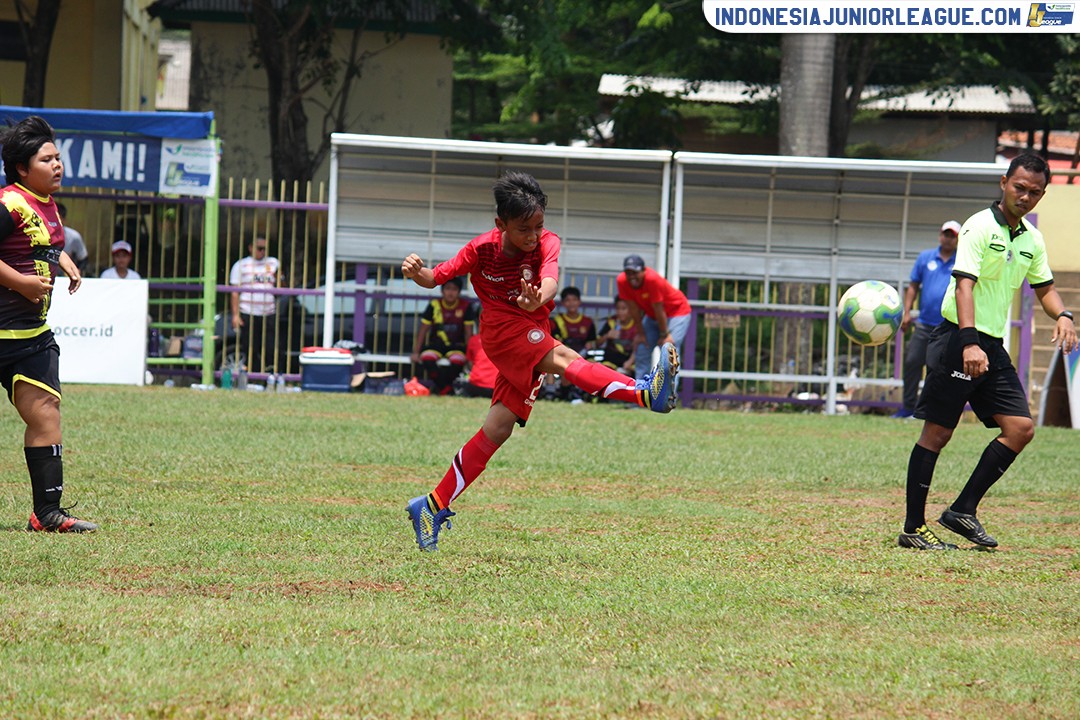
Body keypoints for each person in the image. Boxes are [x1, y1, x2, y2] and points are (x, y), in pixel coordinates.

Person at [401, 171, 679, 551]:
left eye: (538, 226)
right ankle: (645, 394)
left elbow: (550, 278)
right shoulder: (479, 249)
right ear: (500, 225)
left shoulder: (547, 241)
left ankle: (431, 505)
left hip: (533, 323)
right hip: (501, 330)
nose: (533, 236)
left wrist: (538, 299)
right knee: (565, 357)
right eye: (523, 229)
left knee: (497, 430)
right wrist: (418, 274)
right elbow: (436, 277)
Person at [898, 153, 1077, 551]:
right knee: (939, 432)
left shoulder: (1032, 239)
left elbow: (1044, 287)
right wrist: (969, 341)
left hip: (991, 346)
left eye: (1035, 192)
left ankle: (962, 510)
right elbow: (964, 286)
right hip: (957, 340)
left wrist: (1063, 314)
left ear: (1042, 194)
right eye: (1019, 187)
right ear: (1003, 182)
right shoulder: (978, 226)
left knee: (1020, 429)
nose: (1025, 197)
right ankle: (913, 528)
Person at [0, 115, 97, 532]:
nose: (58, 165)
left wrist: (66, 261)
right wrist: (21, 282)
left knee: (46, 415)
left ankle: (47, 514)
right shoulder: (8, 204)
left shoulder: (48, 204)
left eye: (59, 158)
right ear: (23, 168)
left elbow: (45, 246)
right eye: (47, 159)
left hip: (30, 338)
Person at [893, 220, 960, 418]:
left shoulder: (962, 260)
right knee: (913, 362)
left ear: (957, 239)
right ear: (940, 235)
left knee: (939, 370)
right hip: (923, 324)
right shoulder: (925, 258)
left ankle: (931, 410)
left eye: (952, 236)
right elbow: (913, 286)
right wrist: (906, 312)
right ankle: (907, 408)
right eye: (945, 234)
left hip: (948, 326)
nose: (948, 239)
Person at [617, 254, 692, 381]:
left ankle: (668, 398)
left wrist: (664, 335)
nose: (631, 277)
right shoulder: (622, 281)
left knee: (669, 351)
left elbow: (659, 309)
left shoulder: (652, 279)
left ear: (643, 270)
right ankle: (641, 396)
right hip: (653, 316)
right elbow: (634, 309)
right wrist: (640, 334)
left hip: (677, 312)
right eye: (628, 273)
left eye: (635, 272)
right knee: (641, 348)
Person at [410, 277, 475, 395]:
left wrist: (470, 355)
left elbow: (468, 333)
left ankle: (441, 389)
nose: (451, 292)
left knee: (458, 362)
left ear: (459, 292)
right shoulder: (434, 305)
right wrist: (416, 352)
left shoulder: (465, 306)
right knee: (427, 359)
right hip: (436, 345)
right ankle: (446, 389)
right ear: (442, 291)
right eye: (448, 289)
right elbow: (423, 330)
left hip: (457, 346)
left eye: (454, 289)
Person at [229, 236, 280, 374]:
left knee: (270, 347)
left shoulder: (274, 263)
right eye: (259, 248)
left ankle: (269, 375)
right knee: (251, 347)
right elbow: (234, 292)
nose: (262, 252)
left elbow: (282, 286)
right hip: (248, 311)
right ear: (251, 248)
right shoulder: (241, 265)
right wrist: (235, 315)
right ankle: (254, 376)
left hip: (269, 311)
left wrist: (279, 277)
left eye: (265, 249)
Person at [549, 286, 596, 401]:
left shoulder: (588, 322)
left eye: (574, 300)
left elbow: (592, 342)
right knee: (565, 370)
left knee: (594, 369)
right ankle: (564, 395)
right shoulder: (556, 321)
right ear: (563, 303)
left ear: (579, 301)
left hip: (584, 355)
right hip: (564, 355)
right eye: (568, 300)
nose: (571, 303)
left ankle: (586, 395)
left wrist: (589, 346)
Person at [596, 296, 639, 375]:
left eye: (623, 309)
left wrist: (630, 362)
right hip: (610, 361)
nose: (620, 312)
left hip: (628, 363)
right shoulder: (611, 322)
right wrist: (606, 336)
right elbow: (597, 344)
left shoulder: (637, 325)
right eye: (618, 309)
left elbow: (639, 348)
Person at [56, 202, 89, 275]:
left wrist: (77, 271)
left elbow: (83, 258)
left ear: (64, 220)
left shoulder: (74, 236)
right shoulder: (40, 235)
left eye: (58, 218)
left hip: (66, 276)